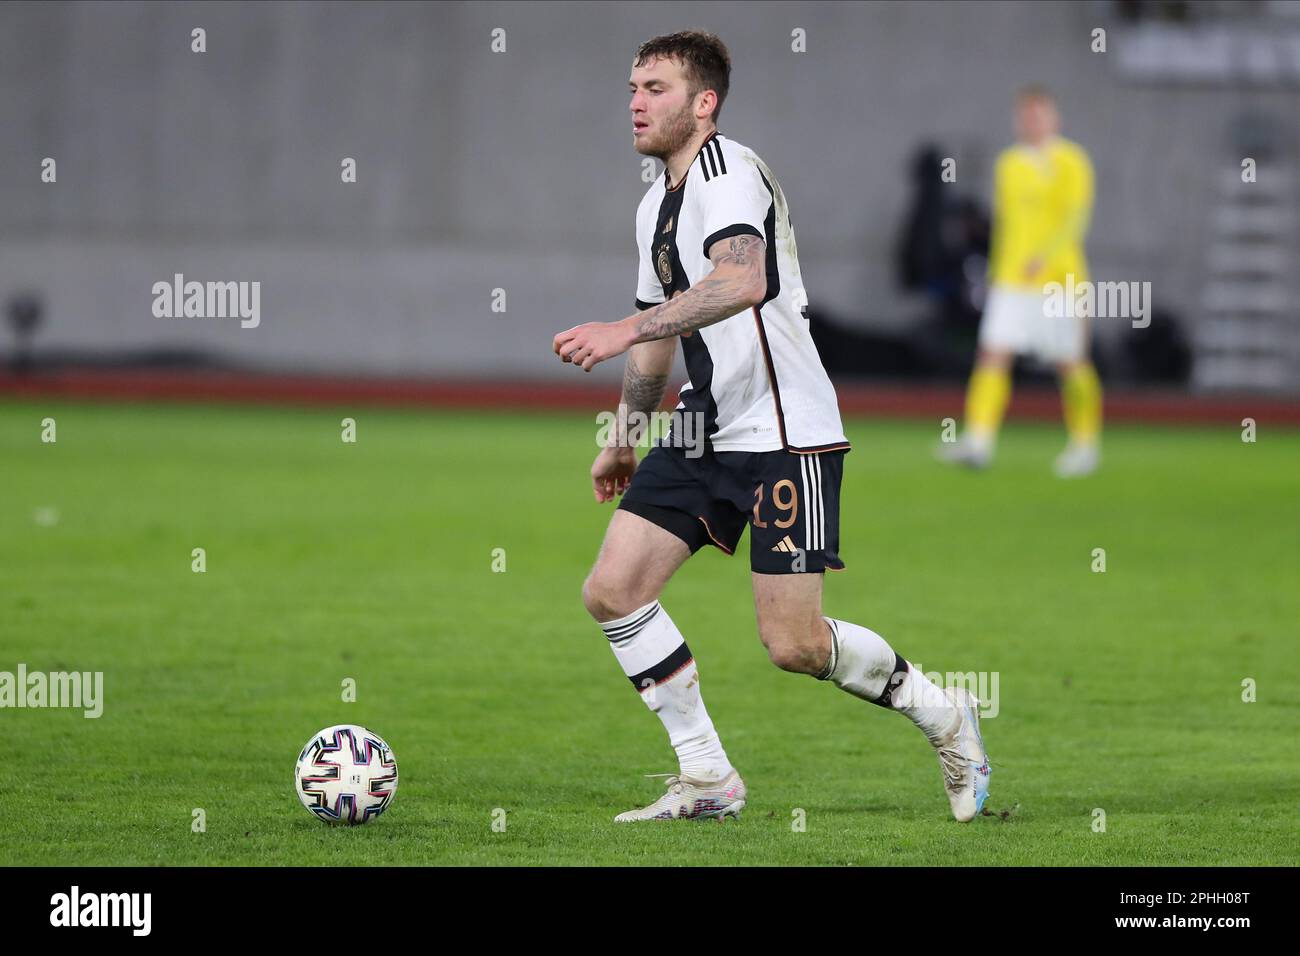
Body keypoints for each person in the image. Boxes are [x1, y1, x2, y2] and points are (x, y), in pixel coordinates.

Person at [551, 32, 991, 823]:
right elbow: (658, 336)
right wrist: (624, 435)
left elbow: (742, 280)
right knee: (613, 590)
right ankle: (708, 778)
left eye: (654, 87)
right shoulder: (655, 203)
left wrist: (620, 326)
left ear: (703, 102)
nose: (636, 102)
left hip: (787, 430)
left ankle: (945, 715)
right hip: (706, 425)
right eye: (631, 88)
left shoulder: (731, 173)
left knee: (792, 645)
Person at [941, 87, 1102, 476]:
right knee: (994, 354)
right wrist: (996, 272)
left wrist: (1044, 257)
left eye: (1040, 115)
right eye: (1026, 116)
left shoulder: (1072, 160)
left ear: (1054, 118)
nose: (1033, 122)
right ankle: (979, 440)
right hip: (1012, 280)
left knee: (1070, 362)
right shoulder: (1008, 164)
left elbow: (1075, 218)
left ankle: (1085, 444)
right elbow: (1006, 225)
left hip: (1059, 280)